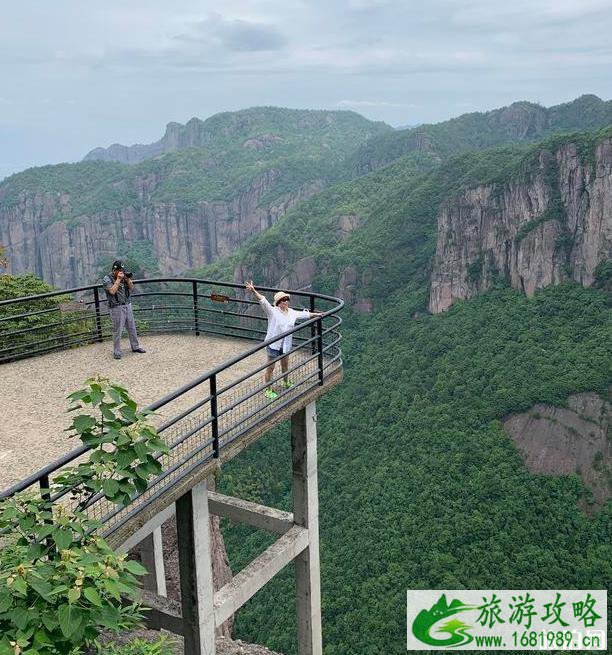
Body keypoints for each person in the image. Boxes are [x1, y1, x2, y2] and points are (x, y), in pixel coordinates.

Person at [246, 280, 322, 399]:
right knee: (270, 368)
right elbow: (263, 301)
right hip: (273, 345)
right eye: (283, 300)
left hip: (285, 345)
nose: (285, 301)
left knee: (285, 365)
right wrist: (253, 291)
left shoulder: (291, 312)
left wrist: (317, 315)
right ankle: (268, 389)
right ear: (278, 303)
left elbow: (304, 315)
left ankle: (285, 382)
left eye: (287, 299)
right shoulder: (273, 312)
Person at [103, 260, 146, 360]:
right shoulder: (107, 279)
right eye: (119, 270)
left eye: (122, 270)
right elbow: (112, 291)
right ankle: (117, 351)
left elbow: (131, 288)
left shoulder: (124, 277)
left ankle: (135, 347)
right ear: (114, 270)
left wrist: (128, 280)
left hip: (127, 304)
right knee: (118, 330)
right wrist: (118, 280)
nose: (121, 272)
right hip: (116, 307)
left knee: (132, 327)